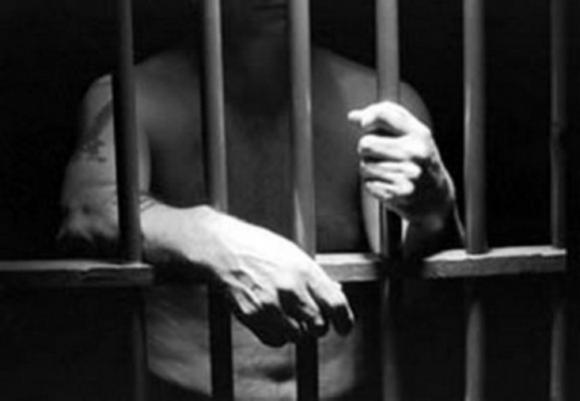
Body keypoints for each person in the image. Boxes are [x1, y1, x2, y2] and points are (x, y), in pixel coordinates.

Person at [59, 1, 463, 399]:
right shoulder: (136, 95)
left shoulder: (379, 100)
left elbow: (409, 267)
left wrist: (432, 209)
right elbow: (90, 208)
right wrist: (213, 240)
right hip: (180, 393)